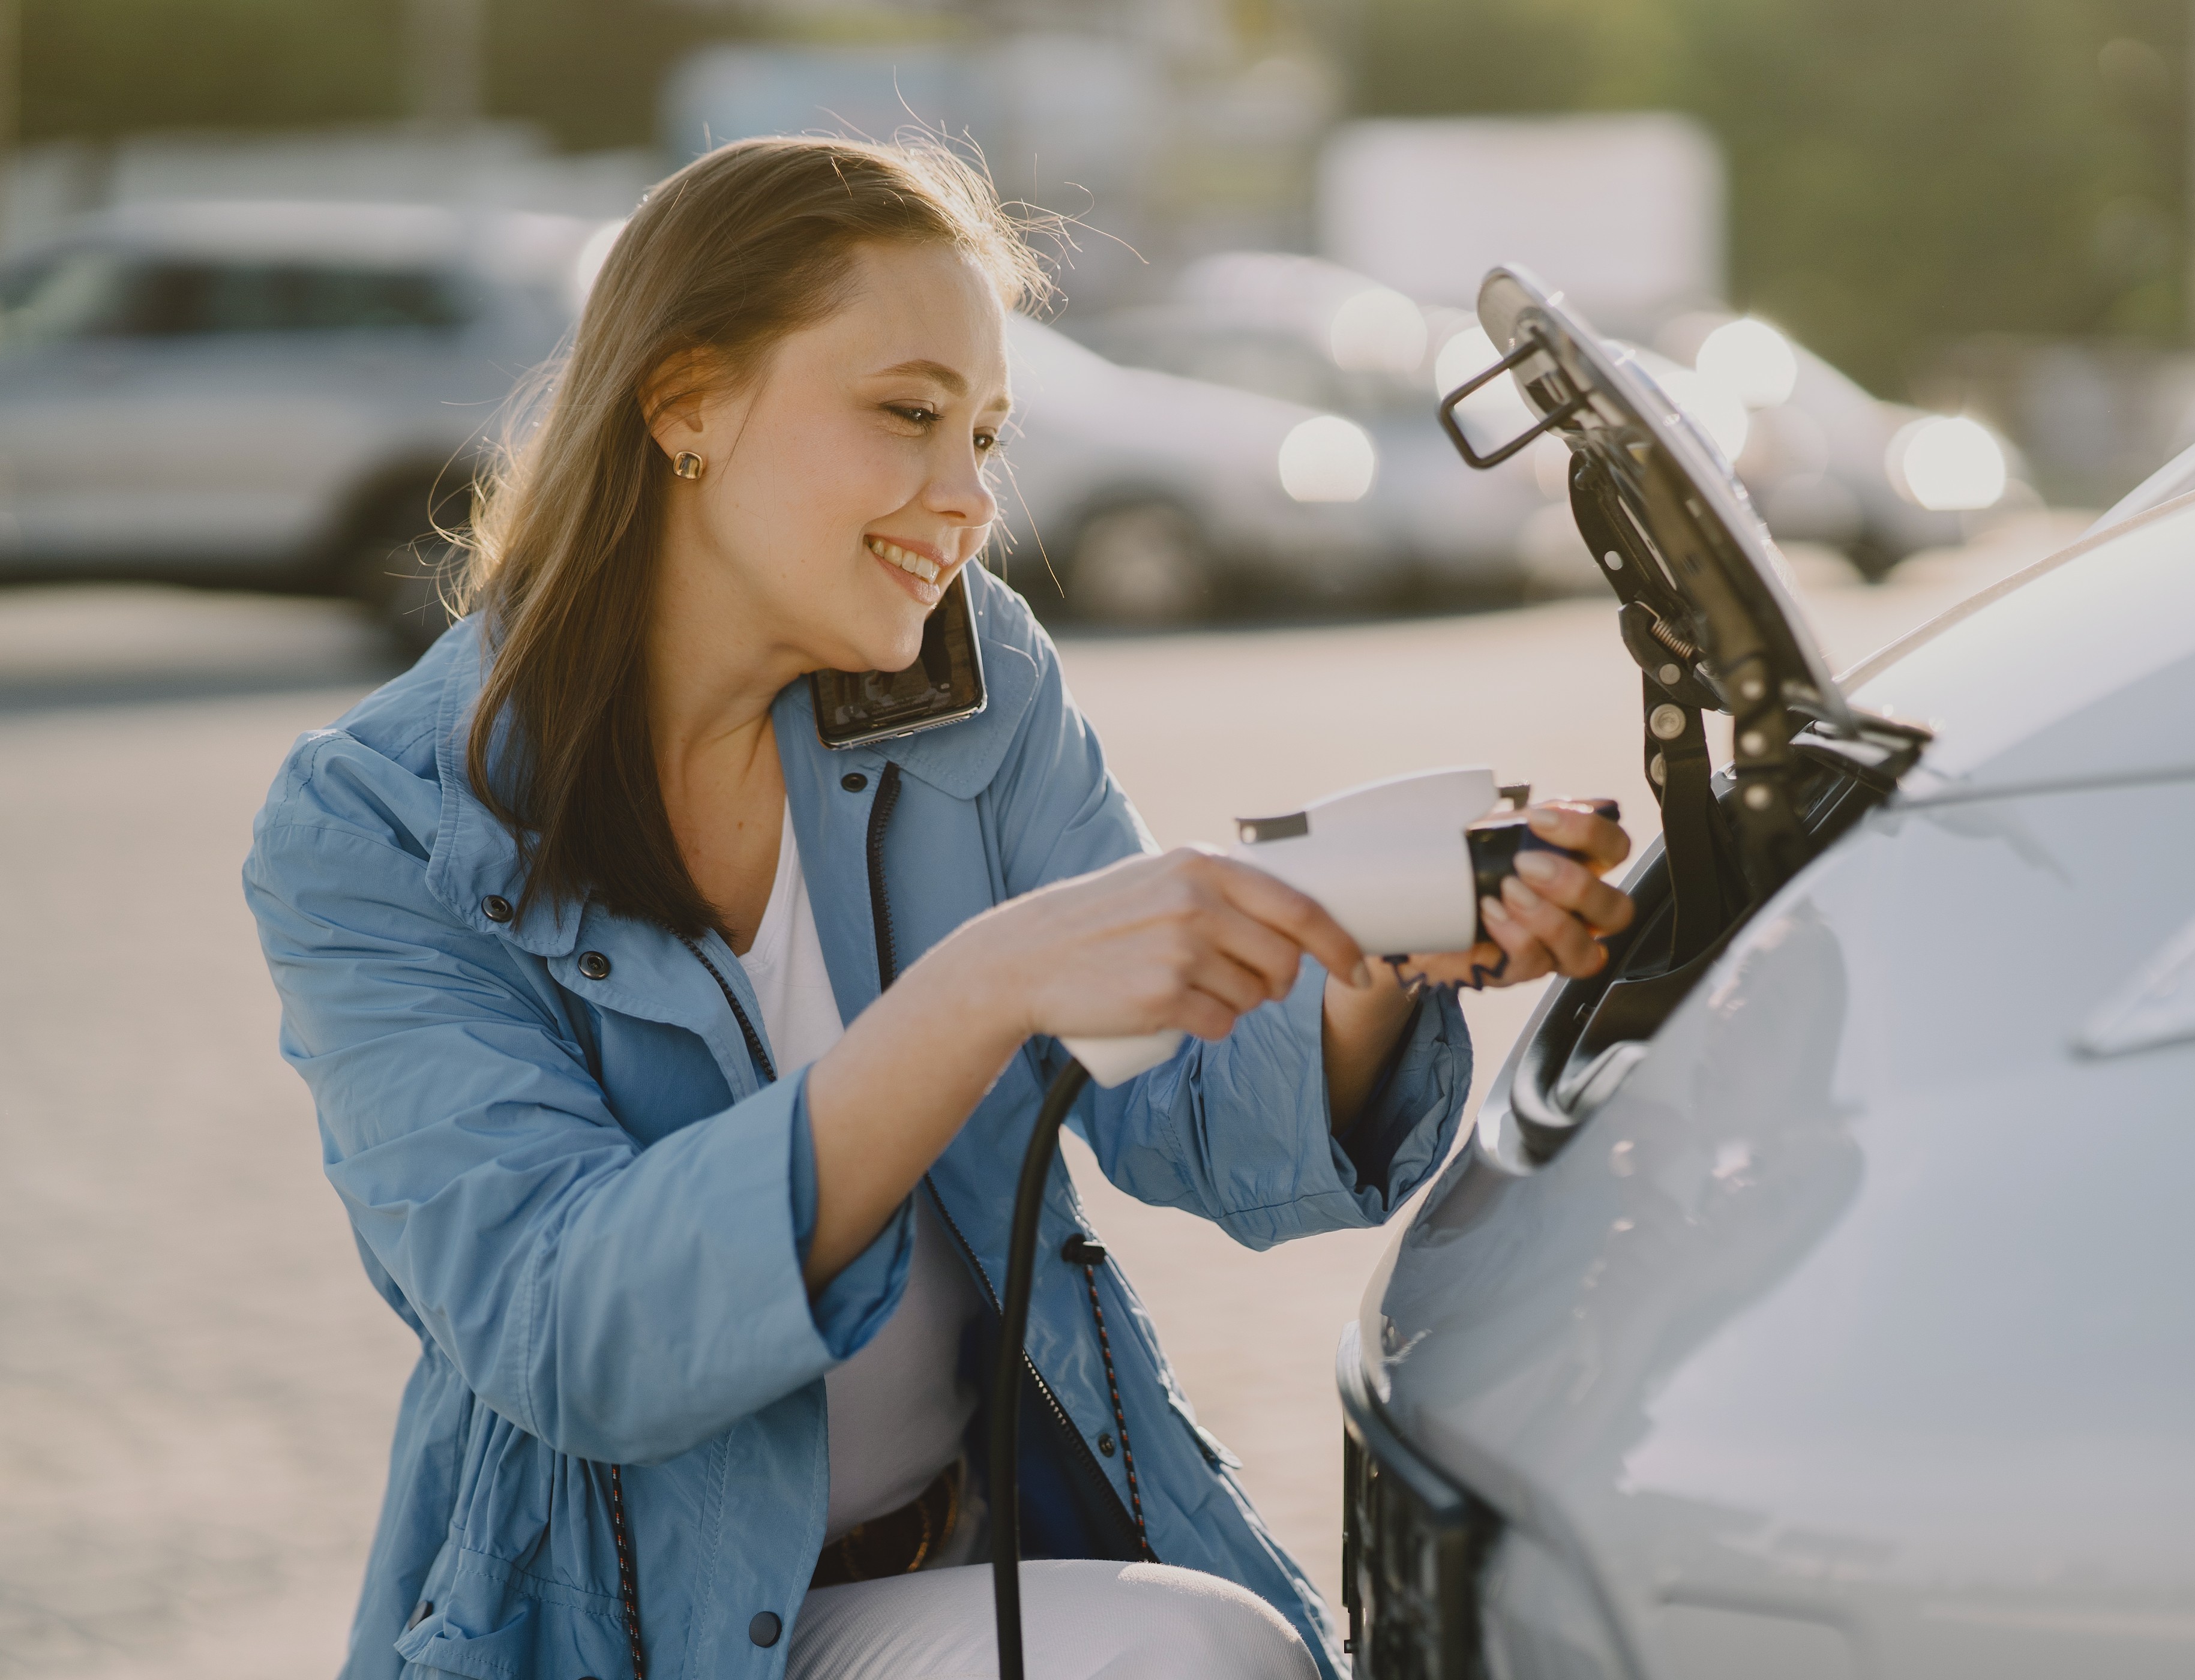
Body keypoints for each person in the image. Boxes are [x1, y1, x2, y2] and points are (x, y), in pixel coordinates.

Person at [242, 136, 1633, 1680]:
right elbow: (571, 1332)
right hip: (622, 1635)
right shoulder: (373, 824)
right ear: (683, 401)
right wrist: (978, 991)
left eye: (986, 432)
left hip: (977, 1549)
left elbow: (1181, 1106)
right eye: (909, 415)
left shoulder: (974, 680)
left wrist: (1370, 960)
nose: (967, 498)